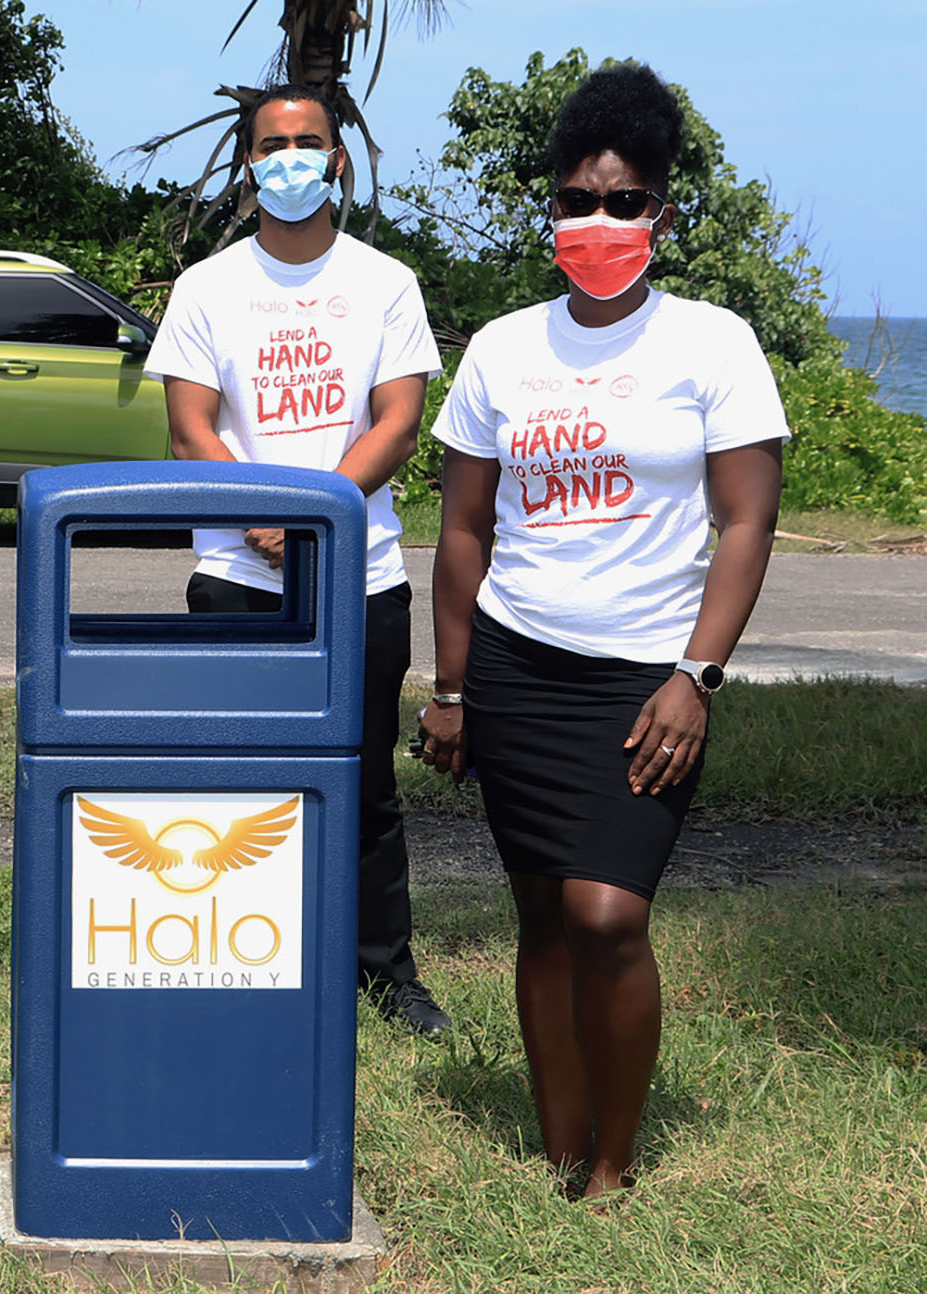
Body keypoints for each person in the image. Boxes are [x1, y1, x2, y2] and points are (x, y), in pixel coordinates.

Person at [420, 63, 788, 1199]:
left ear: (660, 215)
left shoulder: (711, 345)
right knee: (539, 910)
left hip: (644, 677)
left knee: (605, 912)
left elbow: (744, 520)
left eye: (621, 202)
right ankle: (558, 1142)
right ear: (549, 214)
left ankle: (613, 1167)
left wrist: (696, 674)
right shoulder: (500, 349)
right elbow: (463, 530)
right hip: (518, 663)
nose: (596, 221)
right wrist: (451, 686)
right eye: (575, 199)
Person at [145, 84, 452, 1036]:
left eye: (307, 143)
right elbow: (190, 427)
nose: (290, 159)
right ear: (248, 162)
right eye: (272, 145)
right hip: (237, 575)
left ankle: (385, 974)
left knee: (364, 783)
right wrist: (265, 518)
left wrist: (314, 513)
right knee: (240, 781)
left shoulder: (384, 282)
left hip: (361, 578)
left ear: (338, 160)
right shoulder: (208, 287)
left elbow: (398, 422)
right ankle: (246, 959)